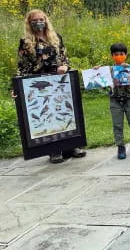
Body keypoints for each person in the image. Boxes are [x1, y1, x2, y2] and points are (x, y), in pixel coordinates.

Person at [16, 9, 86, 163]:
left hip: (58, 82)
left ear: (46, 20)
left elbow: (64, 57)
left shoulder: (55, 37)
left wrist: (65, 67)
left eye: (41, 19)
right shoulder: (25, 41)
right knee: (46, 115)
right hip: (38, 83)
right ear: (29, 22)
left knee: (64, 112)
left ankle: (72, 146)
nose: (39, 22)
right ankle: (53, 150)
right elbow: (21, 67)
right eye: (35, 20)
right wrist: (17, 88)